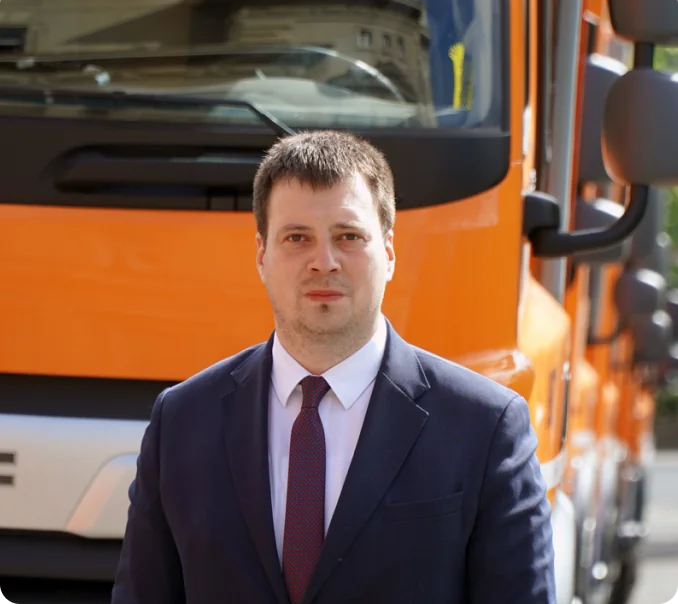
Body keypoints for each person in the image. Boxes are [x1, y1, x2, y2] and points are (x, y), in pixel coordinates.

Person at [111, 130, 556, 604]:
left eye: (348, 237)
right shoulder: (181, 421)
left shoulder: (485, 427)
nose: (324, 262)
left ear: (389, 252)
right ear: (261, 255)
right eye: (297, 238)